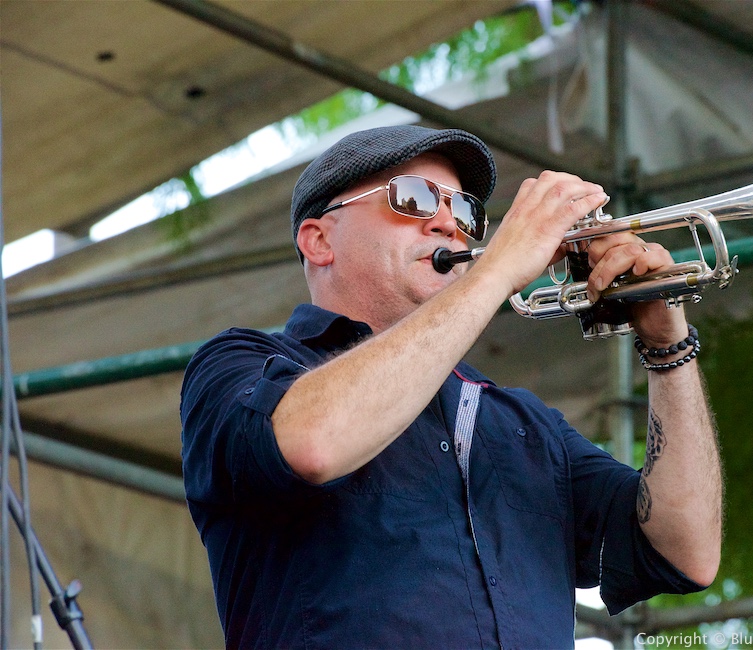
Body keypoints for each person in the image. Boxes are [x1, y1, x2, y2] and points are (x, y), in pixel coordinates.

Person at [180, 125, 723, 649]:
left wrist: (667, 343)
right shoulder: (239, 365)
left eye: (464, 211)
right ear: (320, 240)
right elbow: (312, 444)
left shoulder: (525, 424)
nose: (449, 225)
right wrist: (503, 266)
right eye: (413, 199)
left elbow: (686, 554)